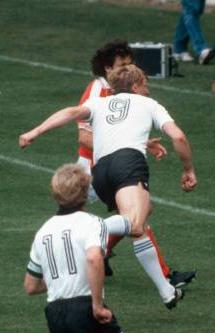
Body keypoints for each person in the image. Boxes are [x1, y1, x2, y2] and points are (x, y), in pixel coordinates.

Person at [19, 65, 197, 309]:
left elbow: (71, 112)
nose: (148, 88)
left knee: (142, 217)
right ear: (135, 86)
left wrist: (35, 131)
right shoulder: (150, 105)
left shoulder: (100, 103)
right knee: (134, 223)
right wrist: (188, 170)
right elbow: (178, 137)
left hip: (100, 171)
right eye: (145, 83)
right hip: (128, 164)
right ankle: (90, 228)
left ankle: (167, 291)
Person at [18, 164, 144, 333]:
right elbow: (94, 258)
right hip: (84, 309)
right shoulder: (92, 223)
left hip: (55, 314)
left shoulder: (42, 232)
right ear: (86, 194)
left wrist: (61, 279)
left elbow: (31, 286)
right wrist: (97, 305)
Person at [76, 40, 197, 288]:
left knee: (139, 212)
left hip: (109, 166)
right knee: (137, 215)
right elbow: (83, 136)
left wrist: (142, 143)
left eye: (130, 64)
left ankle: (102, 253)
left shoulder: (120, 90)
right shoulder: (97, 91)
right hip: (93, 170)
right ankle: (163, 277)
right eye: (122, 65)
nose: (127, 69)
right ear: (107, 68)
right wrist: (127, 146)